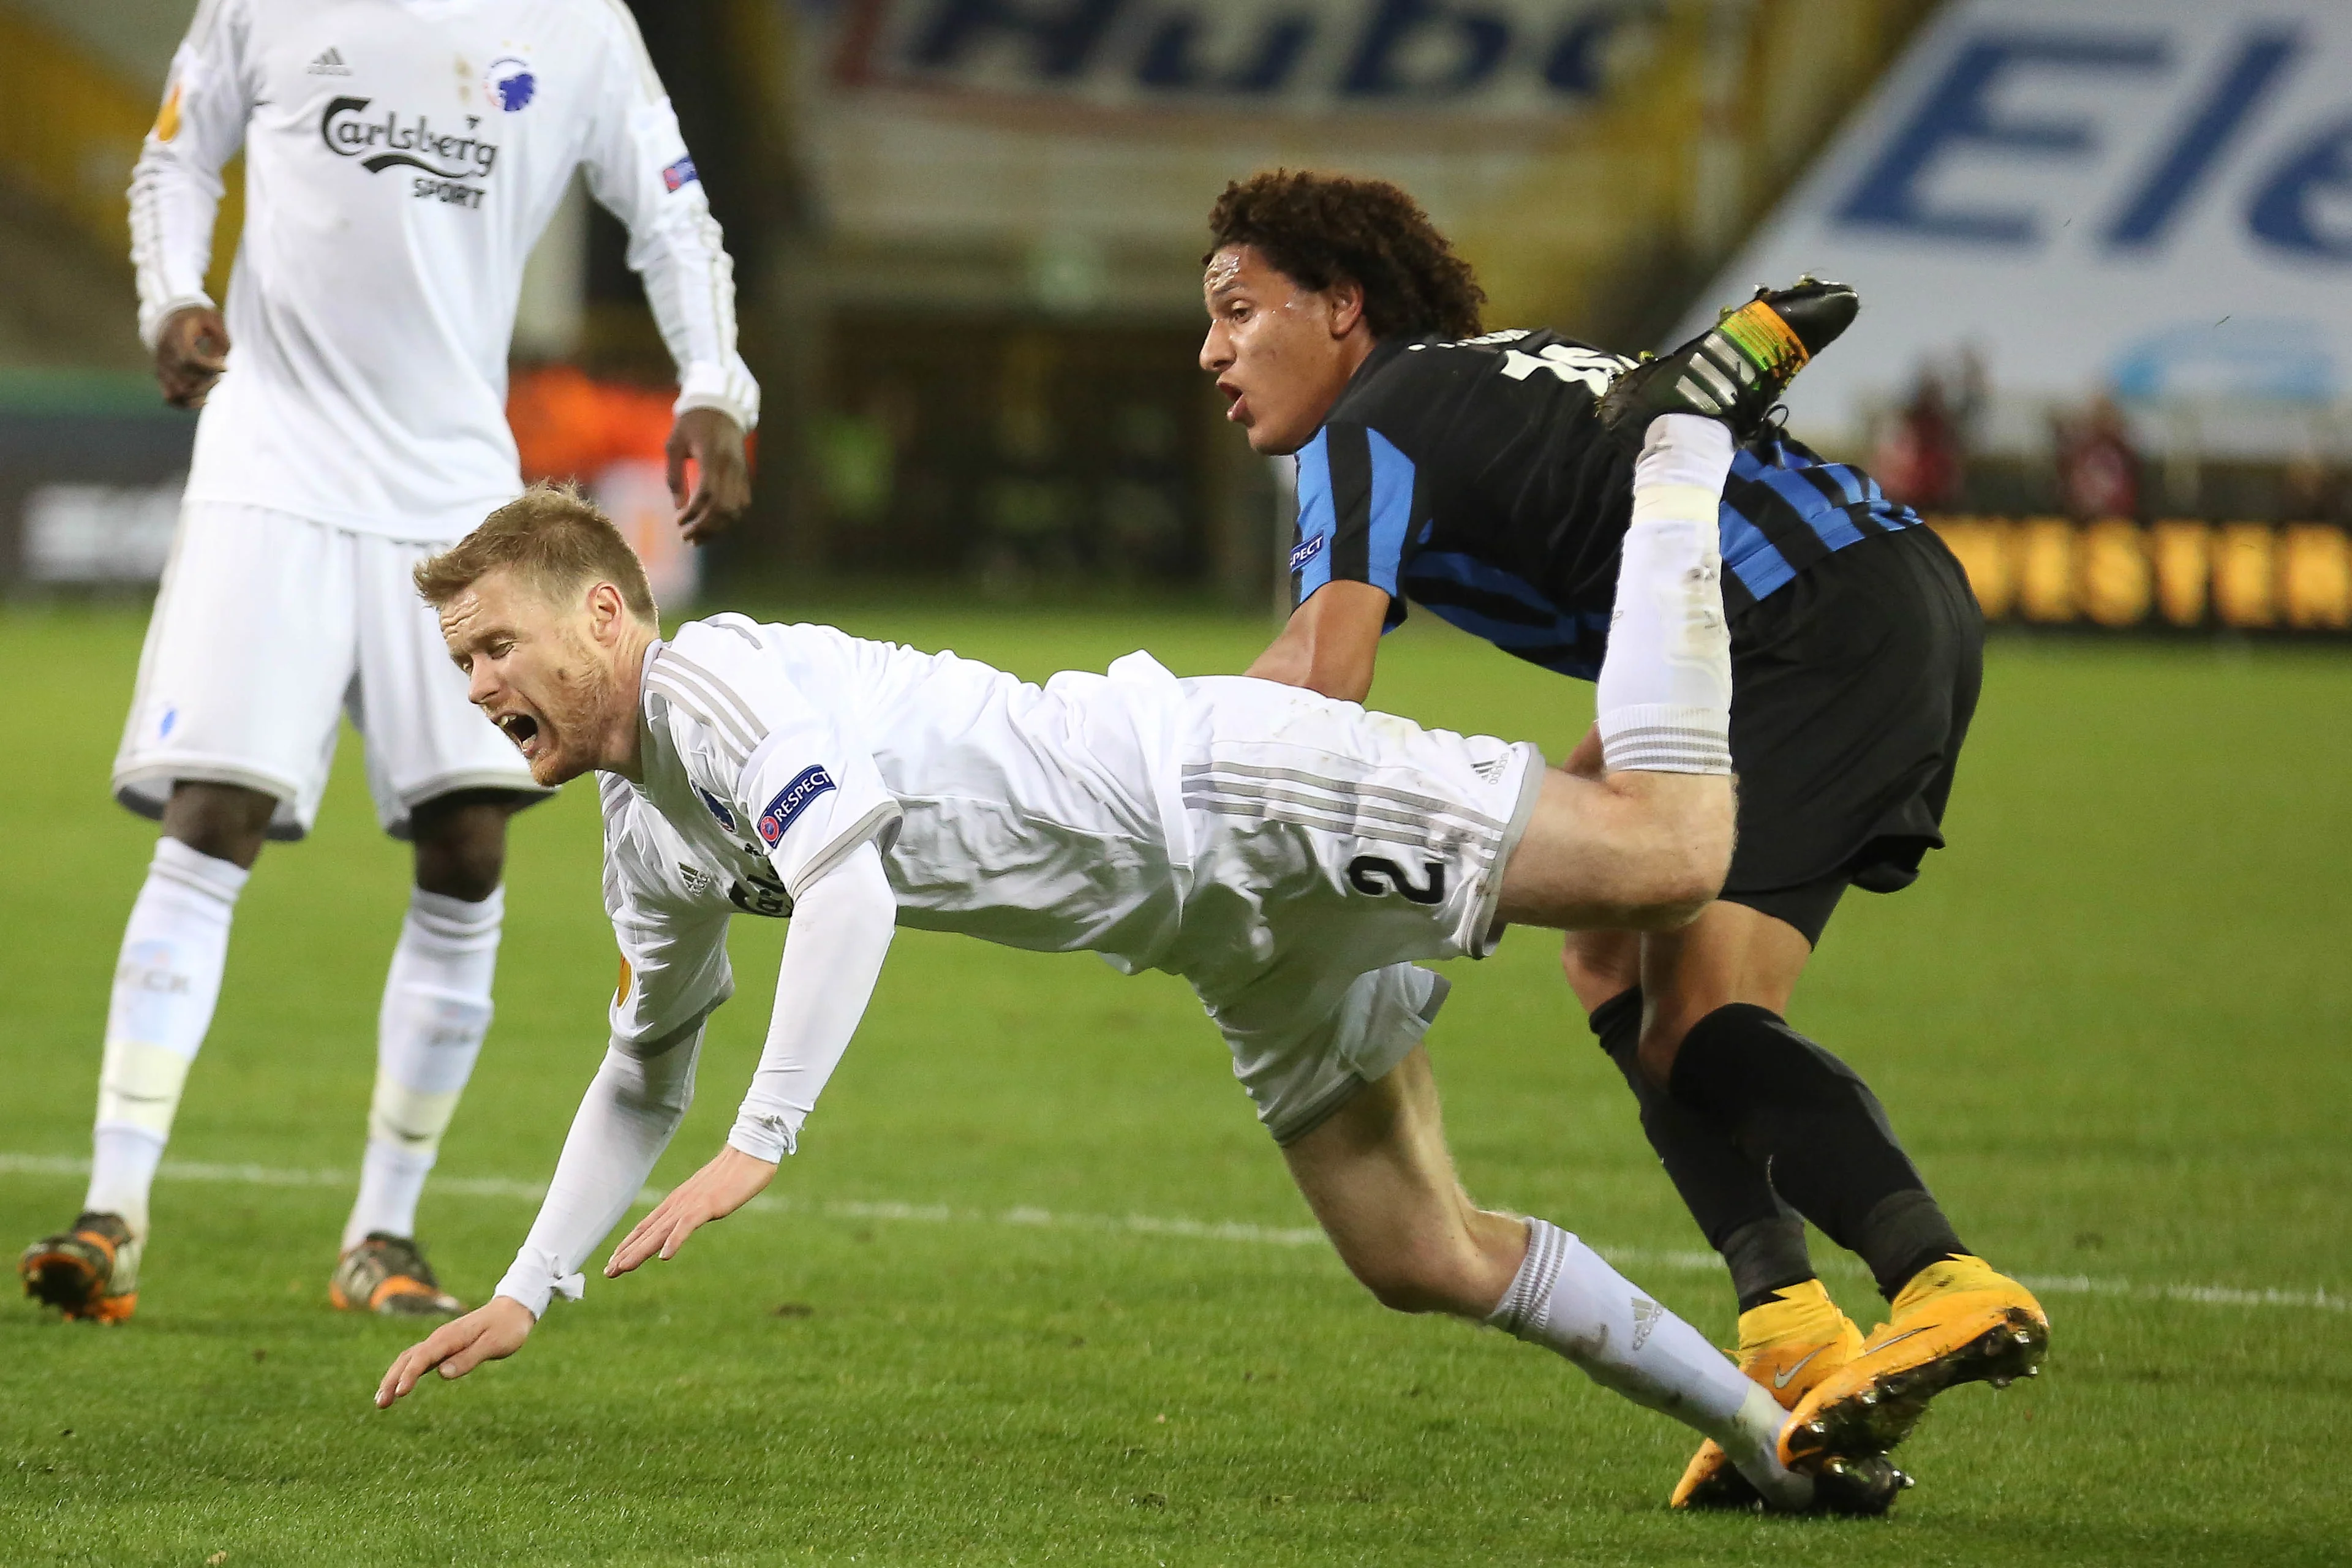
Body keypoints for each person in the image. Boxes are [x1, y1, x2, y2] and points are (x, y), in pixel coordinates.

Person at [369, 478, 1907, 1513]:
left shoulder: (712, 686)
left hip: (1226, 787)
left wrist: (767, 1134)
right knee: (1420, 1249)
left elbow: (851, 871)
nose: (483, 685)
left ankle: (1675, 473)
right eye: (461, 661)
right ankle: (1786, 1453)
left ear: (608, 618)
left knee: (1663, 859)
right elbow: (643, 1069)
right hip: (1212, 939)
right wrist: (528, 1285)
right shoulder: (644, 834)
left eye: (498, 643)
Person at [1196, 170, 2044, 1504]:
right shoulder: (1468, 375)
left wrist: (1121, 749)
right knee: (1608, 952)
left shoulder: (1365, 424)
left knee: (1690, 1018)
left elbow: (1328, 671)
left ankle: (1940, 1278)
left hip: (1792, 623)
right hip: (1866, 592)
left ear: (1343, 304)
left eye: (1239, 311)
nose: (1214, 352)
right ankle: (1788, 1328)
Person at [18, 0, 758, 1324]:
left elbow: (670, 207)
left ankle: (384, 1232)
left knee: (468, 841)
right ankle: (111, 1209)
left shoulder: (580, 27)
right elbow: (177, 154)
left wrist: (715, 376)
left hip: (450, 484)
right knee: (213, 814)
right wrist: (174, 295)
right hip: (273, 462)